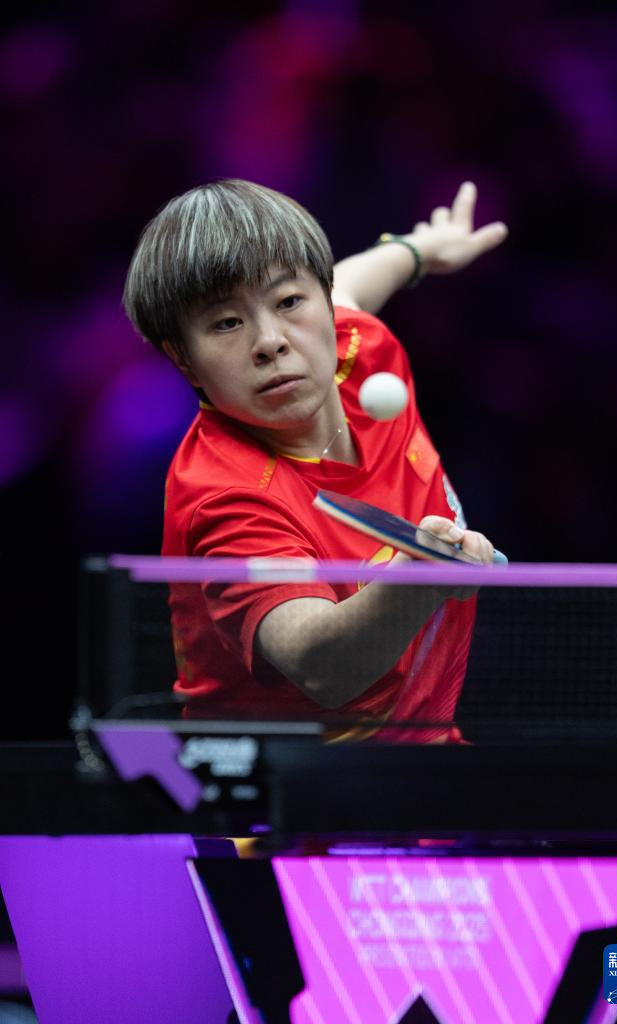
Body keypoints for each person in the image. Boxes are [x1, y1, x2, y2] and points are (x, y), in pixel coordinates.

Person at [123, 179, 507, 742]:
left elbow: (350, 280)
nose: (270, 341)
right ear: (183, 358)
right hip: (294, 787)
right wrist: (418, 579)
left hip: (428, 759)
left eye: (288, 302)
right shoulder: (225, 494)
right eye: (226, 323)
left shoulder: (359, 347)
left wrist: (419, 250)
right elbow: (320, 665)